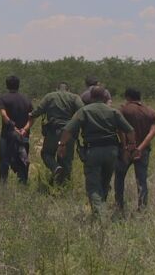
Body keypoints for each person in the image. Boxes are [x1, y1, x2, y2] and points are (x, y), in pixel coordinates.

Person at [58, 86, 135, 219]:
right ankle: (100, 209)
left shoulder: (84, 111)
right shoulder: (113, 111)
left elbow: (67, 130)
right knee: (105, 182)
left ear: (91, 98)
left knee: (93, 186)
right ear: (106, 97)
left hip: (93, 151)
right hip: (111, 151)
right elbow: (130, 131)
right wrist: (130, 147)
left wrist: (62, 145)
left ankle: (101, 215)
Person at [29, 83, 83, 184]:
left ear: (57, 88)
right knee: (66, 160)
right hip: (68, 133)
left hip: (53, 131)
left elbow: (38, 111)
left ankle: (55, 167)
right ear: (69, 89)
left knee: (46, 153)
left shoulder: (50, 96)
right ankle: (64, 187)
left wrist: (31, 114)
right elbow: (83, 111)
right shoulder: (74, 97)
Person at [114, 87, 155, 211]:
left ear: (128, 97)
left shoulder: (122, 110)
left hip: (125, 150)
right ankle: (142, 207)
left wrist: (125, 147)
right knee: (141, 180)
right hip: (143, 151)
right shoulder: (150, 111)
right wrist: (140, 148)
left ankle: (119, 205)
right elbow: (153, 132)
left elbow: (119, 129)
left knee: (119, 178)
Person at [0, 75, 33, 184]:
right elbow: (32, 117)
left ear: (7, 85)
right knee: (23, 160)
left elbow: (3, 115)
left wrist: (14, 128)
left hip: (7, 135)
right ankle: (23, 185)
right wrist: (24, 129)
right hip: (23, 136)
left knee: (4, 161)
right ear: (18, 85)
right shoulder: (26, 100)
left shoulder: (3, 99)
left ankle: (3, 185)